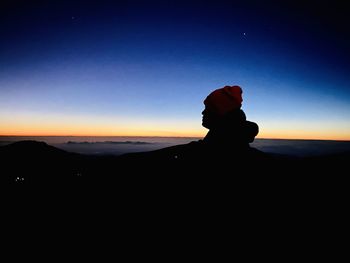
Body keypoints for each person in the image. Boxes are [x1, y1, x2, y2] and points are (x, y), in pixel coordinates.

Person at [119, 85, 263, 168]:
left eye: (209, 108)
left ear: (221, 112)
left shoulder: (206, 155)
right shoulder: (249, 155)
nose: (203, 112)